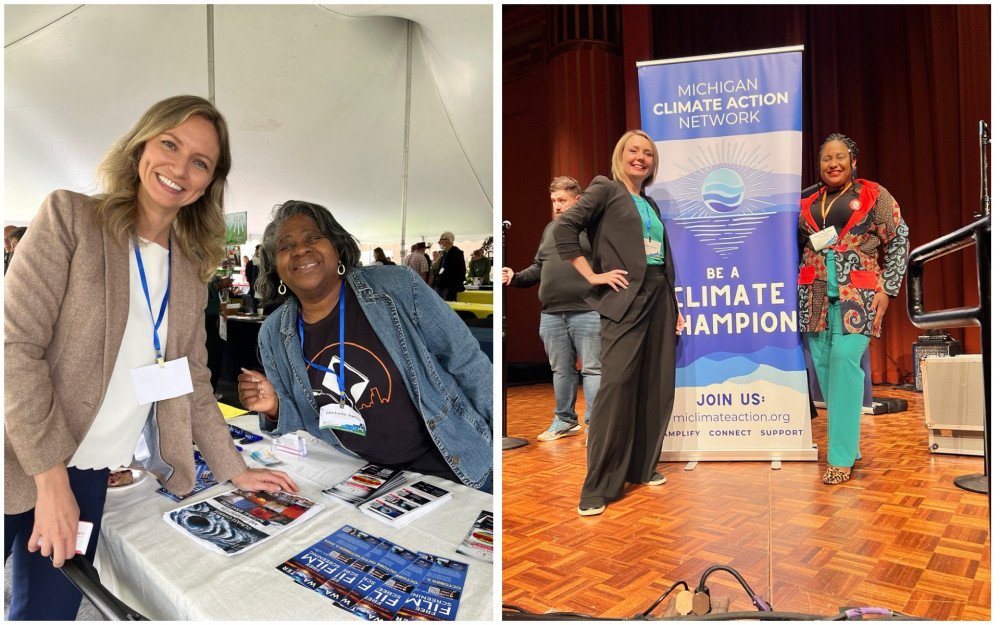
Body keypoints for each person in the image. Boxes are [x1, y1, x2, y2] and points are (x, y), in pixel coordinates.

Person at [3, 95, 298, 621]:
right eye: (170, 144)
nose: (180, 168)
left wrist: (235, 469)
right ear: (142, 144)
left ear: (209, 182)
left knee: (44, 612)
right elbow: (15, 348)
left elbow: (194, 383)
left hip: (90, 473)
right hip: (22, 455)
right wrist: (50, 480)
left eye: (200, 162)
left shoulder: (189, 268)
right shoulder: (70, 217)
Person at [237, 200, 493, 493]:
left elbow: (467, 361)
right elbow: (304, 424)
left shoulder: (396, 287)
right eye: (285, 246)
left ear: (337, 246)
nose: (300, 250)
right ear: (275, 266)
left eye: (312, 238)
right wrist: (274, 407)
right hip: (365, 479)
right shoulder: (273, 334)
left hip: (458, 462)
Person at [554, 129, 684, 517]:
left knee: (657, 384)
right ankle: (598, 484)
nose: (640, 157)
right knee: (616, 387)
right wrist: (592, 275)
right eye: (633, 150)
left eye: (648, 153)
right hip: (626, 297)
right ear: (620, 155)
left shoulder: (651, 204)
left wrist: (675, 304)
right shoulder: (604, 190)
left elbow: (661, 258)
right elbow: (564, 229)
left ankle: (642, 467)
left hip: (660, 295)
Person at [798, 133, 908, 485]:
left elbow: (899, 238)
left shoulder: (874, 195)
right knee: (828, 373)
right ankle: (849, 443)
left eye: (840, 157)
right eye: (826, 158)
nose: (833, 163)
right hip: (814, 298)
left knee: (846, 365)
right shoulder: (806, 201)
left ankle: (841, 458)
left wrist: (888, 290)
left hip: (858, 297)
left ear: (853, 161)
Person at [502, 176, 601, 442]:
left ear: (577, 201)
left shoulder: (593, 229)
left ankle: (597, 423)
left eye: (562, 201)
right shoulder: (550, 230)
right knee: (561, 370)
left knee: (592, 368)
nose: (556, 206)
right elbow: (539, 266)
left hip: (587, 310)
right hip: (552, 313)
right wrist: (516, 277)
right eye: (554, 201)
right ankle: (565, 420)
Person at [434, 231, 466, 301]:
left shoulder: (457, 253)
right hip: (441, 285)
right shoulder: (444, 253)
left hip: (449, 287)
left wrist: (454, 287)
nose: (439, 242)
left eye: (441, 240)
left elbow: (460, 271)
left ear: (448, 241)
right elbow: (440, 268)